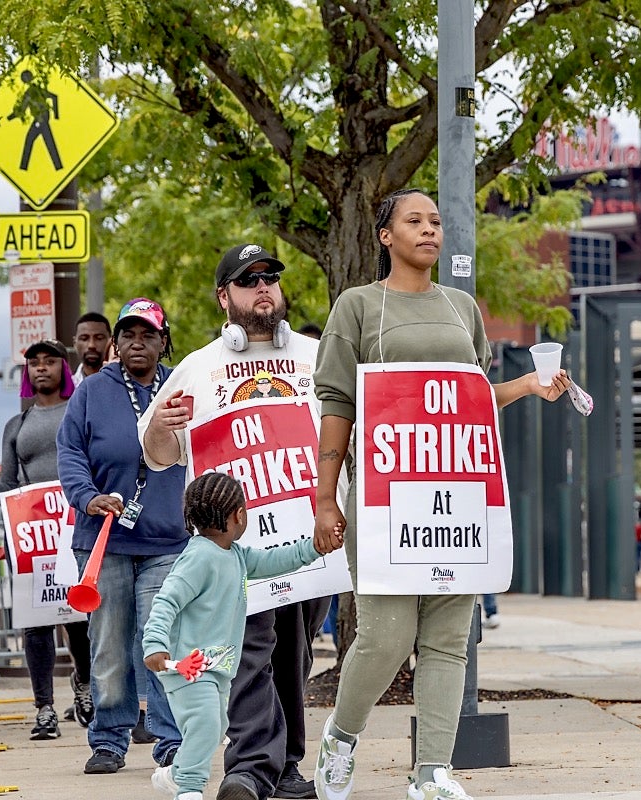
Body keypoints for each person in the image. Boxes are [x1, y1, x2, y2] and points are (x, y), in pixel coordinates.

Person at [310, 188, 570, 800]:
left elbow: (471, 399)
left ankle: (431, 771)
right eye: (414, 221)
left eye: (435, 222)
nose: (429, 230)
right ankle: (341, 739)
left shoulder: (461, 308)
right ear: (385, 236)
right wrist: (326, 498)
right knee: (385, 636)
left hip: (458, 494)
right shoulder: (358, 306)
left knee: (451, 637)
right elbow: (337, 407)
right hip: (383, 501)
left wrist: (529, 385)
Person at [139, 243, 333, 800]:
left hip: (308, 537)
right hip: (235, 546)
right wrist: (163, 426)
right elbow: (156, 452)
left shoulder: (316, 357)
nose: (264, 288)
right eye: (249, 281)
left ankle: (285, 765)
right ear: (225, 298)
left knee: (292, 653)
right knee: (248, 648)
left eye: (270, 278)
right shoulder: (198, 368)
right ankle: (249, 766)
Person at [144, 472, 344, 800]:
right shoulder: (197, 558)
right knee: (208, 724)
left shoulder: (235, 555)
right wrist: (154, 645)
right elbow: (167, 600)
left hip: (216, 666)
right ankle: (189, 790)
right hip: (188, 666)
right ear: (239, 515)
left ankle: (174, 773)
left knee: (214, 728)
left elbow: (276, 561)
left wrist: (314, 549)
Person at [57, 298, 186, 775]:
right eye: (128, 334)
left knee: (161, 639)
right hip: (103, 540)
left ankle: (171, 740)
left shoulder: (182, 386)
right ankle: (109, 739)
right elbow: (69, 451)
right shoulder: (91, 391)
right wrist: (88, 497)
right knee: (109, 641)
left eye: (148, 335)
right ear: (116, 343)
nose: (138, 343)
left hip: (168, 541)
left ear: (162, 341)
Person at [0, 338, 91, 740]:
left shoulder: (81, 412)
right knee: (36, 625)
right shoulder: (16, 427)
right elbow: (10, 488)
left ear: (63, 370)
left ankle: (83, 686)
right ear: (27, 374)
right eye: (34, 363)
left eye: (50, 361)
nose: (41, 368)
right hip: (31, 535)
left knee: (80, 618)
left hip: (74, 529)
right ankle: (44, 707)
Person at [73, 312, 113, 383]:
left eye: (99, 338)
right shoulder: (67, 388)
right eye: (84, 339)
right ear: (75, 343)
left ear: (111, 342)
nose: (91, 345)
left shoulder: (126, 385)